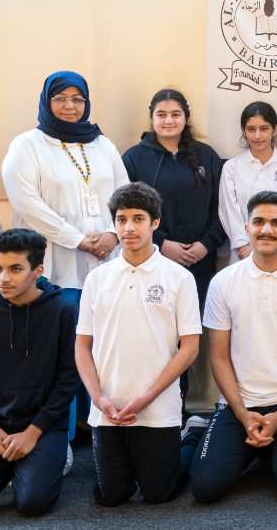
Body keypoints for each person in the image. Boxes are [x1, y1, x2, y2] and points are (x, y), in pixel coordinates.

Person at [191, 190, 277, 502]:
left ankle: (273, 446)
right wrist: (241, 412)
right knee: (204, 488)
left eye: (276, 223)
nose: (267, 229)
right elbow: (219, 357)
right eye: (259, 222)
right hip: (240, 403)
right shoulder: (223, 282)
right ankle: (199, 433)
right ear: (247, 227)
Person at [76, 183, 201, 506]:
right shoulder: (97, 279)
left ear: (155, 223)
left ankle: (191, 438)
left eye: (138, 219)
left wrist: (147, 397)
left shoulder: (178, 278)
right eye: (121, 220)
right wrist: (98, 398)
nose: (128, 228)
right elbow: (82, 346)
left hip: (157, 408)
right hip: (109, 409)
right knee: (111, 496)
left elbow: (189, 348)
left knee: (158, 494)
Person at [0, 229, 78, 520]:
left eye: (15, 269)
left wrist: (34, 433)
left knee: (31, 503)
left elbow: (69, 380)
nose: (3, 278)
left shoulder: (63, 312)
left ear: (38, 271)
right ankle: (6, 463)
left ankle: (54, 455)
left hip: (42, 428)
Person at [1, 70, 129, 292]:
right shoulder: (27, 146)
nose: (70, 106)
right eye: (60, 98)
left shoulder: (102, 145)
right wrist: (76, 239)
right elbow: (27, 203)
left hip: (106, 259)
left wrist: (113, 233)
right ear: (46, 101)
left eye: (78, 99)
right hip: (51, 261)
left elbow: (125, 194)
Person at [121, 88, 226, 306]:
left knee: (191, 328)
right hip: (151, 258)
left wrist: (205, 245)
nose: (168, 120)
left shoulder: (206, 155)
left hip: (200, 261)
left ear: (185, 118)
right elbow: (125, 213)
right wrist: (162, 243)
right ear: (152, 118)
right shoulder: (134, 158)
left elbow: (223, 208)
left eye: (175, 114)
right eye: (161, 114)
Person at [219, 101, 277, 265]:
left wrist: (272, 242)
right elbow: (228, 211)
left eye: (264, 128)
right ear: (244, 131)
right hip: (243, 253)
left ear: (275, 130)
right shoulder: (232, 167)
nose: (257, 136)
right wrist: (246, 245)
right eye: (251, 129)